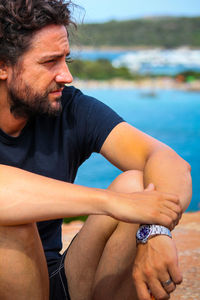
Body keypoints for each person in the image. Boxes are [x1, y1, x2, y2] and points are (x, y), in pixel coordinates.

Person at [0, 1, 192, 300]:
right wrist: (111, 203)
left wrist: (155, 230)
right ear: (2, 65)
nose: (66, 76)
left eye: (66, 60)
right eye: (50, 62)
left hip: (56, 280)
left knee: (137, 184)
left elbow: (167, 160)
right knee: (11, 223)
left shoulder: (68, 107)